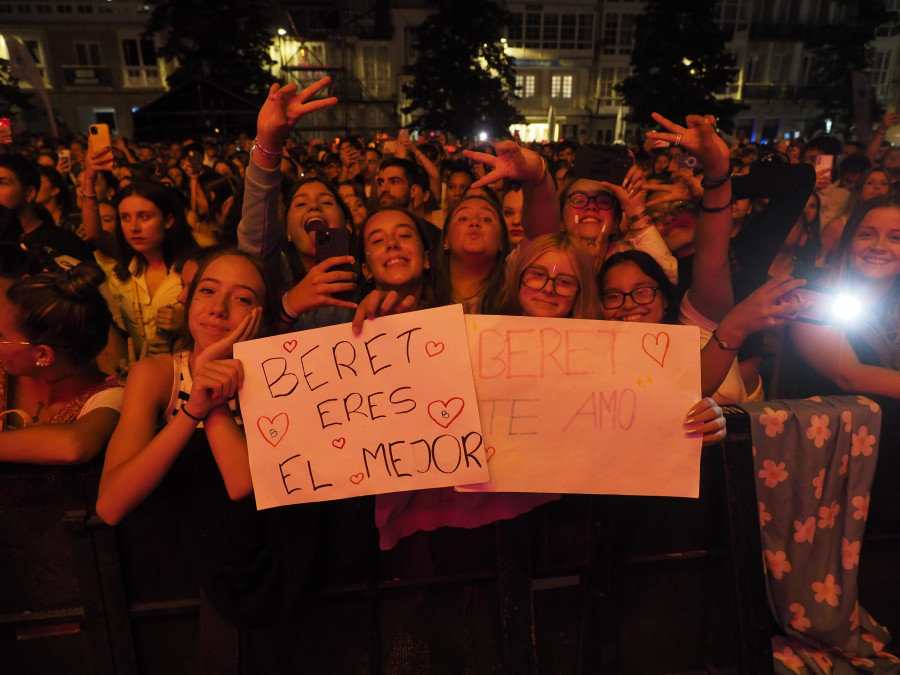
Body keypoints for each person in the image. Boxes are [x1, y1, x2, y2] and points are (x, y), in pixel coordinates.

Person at [0, 262, 123, 463]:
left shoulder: (110, 398)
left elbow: (73, 445)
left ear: (42, 355)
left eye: (1, 336)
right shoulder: (6, 370)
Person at [106, 180, 199, 354]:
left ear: (168, 220)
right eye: (125, 218)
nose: (134, 227)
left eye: (144, 217)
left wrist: (186, 323)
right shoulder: (120, 275)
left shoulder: (194, 270)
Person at [440, 194, 510, 314]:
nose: (474, 223)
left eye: (486, 219)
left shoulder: (513, 295)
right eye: (463, 218)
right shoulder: (422, 293)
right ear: (446, 239)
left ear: (502, 241)